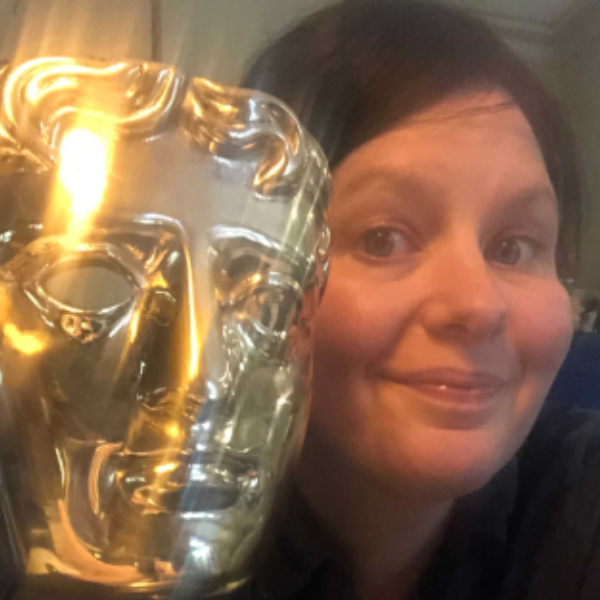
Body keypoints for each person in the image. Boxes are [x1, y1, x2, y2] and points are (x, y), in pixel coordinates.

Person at [232, 3, 600, 600]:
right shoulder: (128, 531)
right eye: (383, 239)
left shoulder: (579, 503)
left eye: (512, 248)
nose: (478, 305)